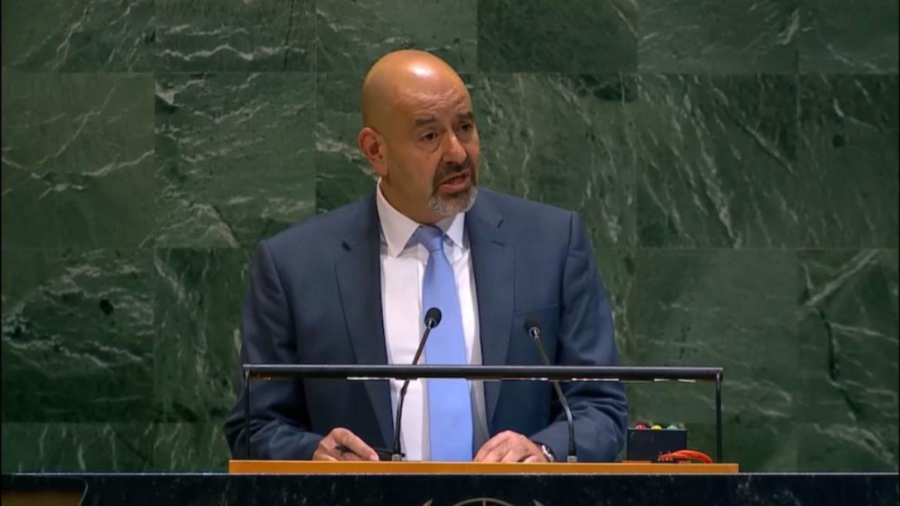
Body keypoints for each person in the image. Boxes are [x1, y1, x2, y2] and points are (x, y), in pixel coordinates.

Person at [223, 50, 627, 463]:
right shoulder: (295, 267)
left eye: (465, 127)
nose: (457, 153)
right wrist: (313, 454)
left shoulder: (550, 244)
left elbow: (600, 407)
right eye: (430, 136)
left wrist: (543, 451)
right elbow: (256, 427)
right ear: (376, 151)